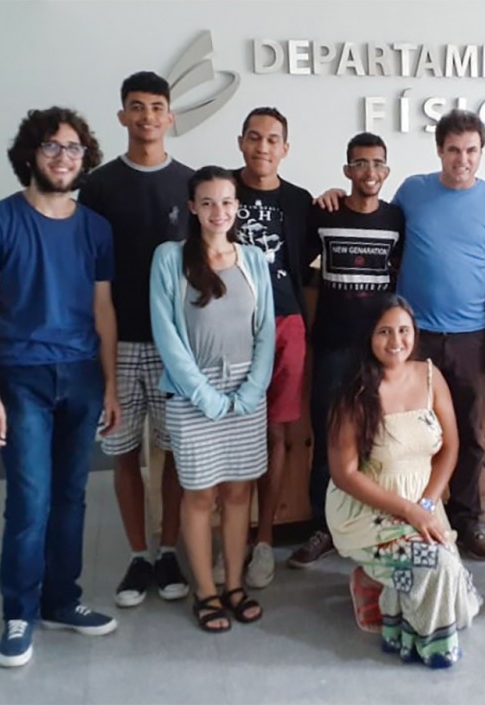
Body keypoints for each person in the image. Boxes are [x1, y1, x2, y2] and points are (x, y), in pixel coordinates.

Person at [317, 109, 485, 561]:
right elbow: (370, 210)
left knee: (463, 432)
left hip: (469, 336)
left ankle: (464, 520)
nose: (461, 159)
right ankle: (376, 516)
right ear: (439, 151)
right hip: (411, 337)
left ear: (481, 152)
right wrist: (332, 194)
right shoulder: (413, 191)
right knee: (387, 430)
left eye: (470, 150)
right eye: (453, 150)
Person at [0, 107, 120, 668]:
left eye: (74, 149)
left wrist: (111, 386)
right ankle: (18, 612)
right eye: (53, 147)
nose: (63, 158)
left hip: (81, 374)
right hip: (20, 377)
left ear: (85, 159)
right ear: (31, 154)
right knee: (30, 501)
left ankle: (62, 601)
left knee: (72, 498)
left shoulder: (95, 228)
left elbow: (104, 312)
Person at [78, 70, 193, 608]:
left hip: (176, 347)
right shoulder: (97, 186)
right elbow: (85, 271)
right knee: (124, 454)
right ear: (122, 115)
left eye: (156, 107)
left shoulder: (190, 186)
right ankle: (136, 556)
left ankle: (168, 551)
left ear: (170, 116)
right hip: (118, 344)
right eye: (136, 107)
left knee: (171, 453)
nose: (147, 116)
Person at [149, 166, 276, 631]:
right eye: (207, 202)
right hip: (192, 392)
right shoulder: (170, 258)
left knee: (240, 490)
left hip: (245, 393)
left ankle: (234, 583)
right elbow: (167, 335)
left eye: (226, 202)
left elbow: (266, 330)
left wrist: (252, 389)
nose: (218, 211)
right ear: (192, 208)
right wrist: (202, 394)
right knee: (200, 492)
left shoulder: (253, 259)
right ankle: (205, 590)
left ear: (236, 207)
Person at [325, 295, 482, 668]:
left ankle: (377, 587)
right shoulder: (355, 393)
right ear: (368, 337)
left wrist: (426, 505)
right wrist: (409, 510)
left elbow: (451, 446)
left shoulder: (430, 375)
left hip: (421, 505)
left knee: (460, 602)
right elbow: (344, 475)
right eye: (384, 332)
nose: (396, 341)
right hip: (369, 513)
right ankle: (428, 647)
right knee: (437, 569)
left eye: (403, 331)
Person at [288, 132, 405, 569]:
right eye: (359, 164)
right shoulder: (324, 213)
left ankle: (377, 523)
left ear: (386, 171)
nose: (369, 172)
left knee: (382, 440)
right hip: (334, 346)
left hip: (384, 352)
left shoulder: (397, 218)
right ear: (346, 171)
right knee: (329, 438)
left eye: (377, 164)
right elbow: (304, 273)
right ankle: (324, 526)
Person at [232, 107, 314, 588]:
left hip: (285, 324)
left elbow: (304, 263)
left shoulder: (301, 201)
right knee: (231, 434)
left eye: (273, 139)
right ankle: (231, 540)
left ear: (285, 148)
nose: (263, 147)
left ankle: (263, 540)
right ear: (241, 141)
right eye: (255, 137)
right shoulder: (220, 191)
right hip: (228, 326)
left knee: (277, 434)